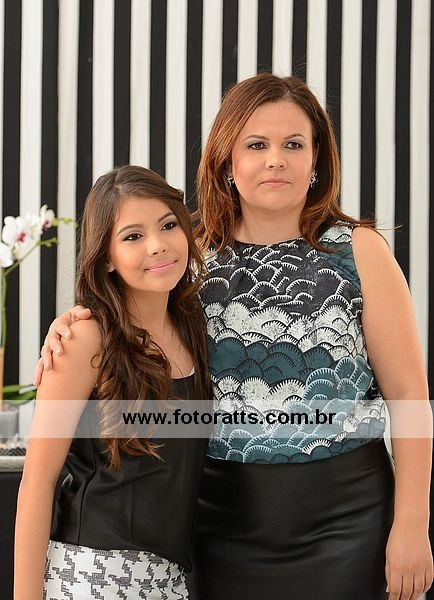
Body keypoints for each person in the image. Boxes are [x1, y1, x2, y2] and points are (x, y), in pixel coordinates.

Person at [36, 74, 433, 600]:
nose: (276, 160)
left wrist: (413, 523)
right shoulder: (188, 254)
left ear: (317, 159)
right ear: (227, 161)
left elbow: (408, 395)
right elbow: (123, 311)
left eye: (294, 144)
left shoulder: (359, 251)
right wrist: (72, 323)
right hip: (217, 525)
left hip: (348, 522)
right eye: (257, 145)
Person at [15, 165, 212, 600]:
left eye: (168, 225)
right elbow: (38, 482)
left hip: (170, 580)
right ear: (106, 256)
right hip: (92, 575)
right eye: (133, 236)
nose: (157, 245)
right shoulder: (85, 339)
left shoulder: (193, 327)